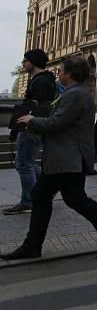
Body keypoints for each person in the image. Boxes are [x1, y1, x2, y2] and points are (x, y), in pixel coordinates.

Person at [1, 55, 97, 260]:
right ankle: (33, 245)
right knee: (45, 197)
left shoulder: (76, 94)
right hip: (62, 156)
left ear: (69, 73)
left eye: (60, 70)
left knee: (73, 198)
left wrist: (32, 120)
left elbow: (57, 122)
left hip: (68, 156)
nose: (57, 73)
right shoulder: (73, 92)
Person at [4, 49, 57, 216]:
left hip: (30, 128)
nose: (23, 64)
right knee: (31, 163)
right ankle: (45, 193)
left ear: (33, 62)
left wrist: (22, 125)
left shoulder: (39, 82)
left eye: (25, 60)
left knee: (24, 164)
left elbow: (35, 107)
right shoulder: (46, 80)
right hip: (36, 127)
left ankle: (28, 201)